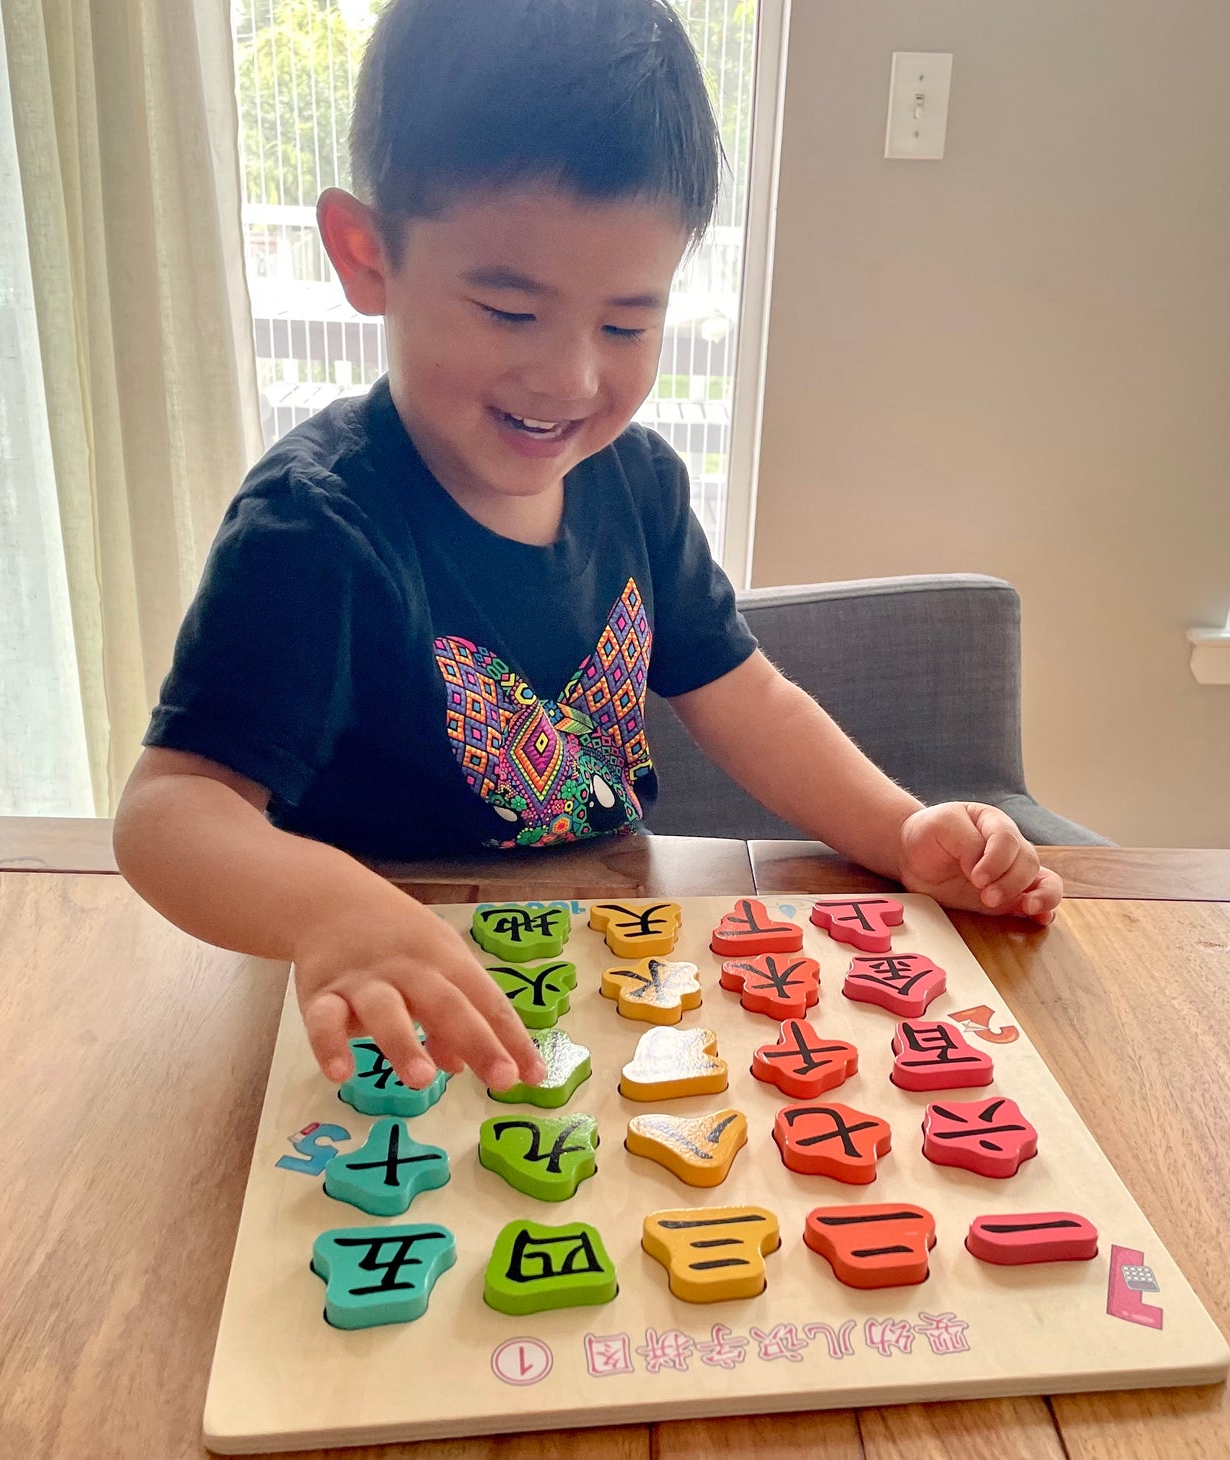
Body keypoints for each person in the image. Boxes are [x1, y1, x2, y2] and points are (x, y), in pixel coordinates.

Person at [113, 0, 1061, 1100]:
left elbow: (744, 699)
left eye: (624, 325)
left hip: (603, 961)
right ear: (366, 255)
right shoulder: (313, 527)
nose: (568, 379)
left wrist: (900, 830)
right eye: (509, 311)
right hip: (386, 1001)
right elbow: (169, 815)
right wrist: (333, 906)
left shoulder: (636, 481)